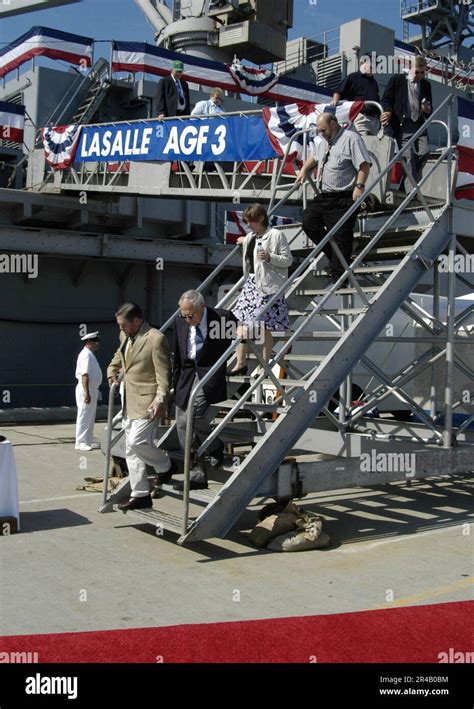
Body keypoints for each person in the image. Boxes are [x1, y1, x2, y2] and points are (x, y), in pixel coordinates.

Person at [107, 302, 173, 511]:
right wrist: (112, 369)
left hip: (148, 402)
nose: (120, 329)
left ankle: (166, 465)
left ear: (136, 321)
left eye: (123, 324)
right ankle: (140, 494)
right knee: (130, 450)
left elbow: (164, 375)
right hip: (128, 400)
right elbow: (121, 354)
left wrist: (160, 400)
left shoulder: (155, 339)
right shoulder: (125, 335)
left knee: (137, 442)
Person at [172, 290, 238, 491]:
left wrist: (242, 334)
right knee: (182, 425)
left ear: (202, 307)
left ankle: (214, 448)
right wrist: (175, 383)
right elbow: (178, 354)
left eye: (191, 315)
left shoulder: (222, 318)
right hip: (187, 375)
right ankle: (197, 473)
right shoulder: (179, 322)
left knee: (194, 414)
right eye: (184, 315)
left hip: (209, 374)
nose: (187, 319)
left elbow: (248, 333)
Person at [298, 112, 372, 285]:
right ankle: (335, 257)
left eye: (323, 129)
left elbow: (364, 165)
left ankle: (339, 277)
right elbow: (314, 157)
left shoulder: (351, 139)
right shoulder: (324, 142)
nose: (321, 133)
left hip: (344, 196)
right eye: (319, 130)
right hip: (324, 196)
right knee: (308, 222)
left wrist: (359, 186)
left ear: (333, 123)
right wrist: (304, 170)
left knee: (341, 235)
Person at [229, 204, 293, 375]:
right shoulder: (250, 237)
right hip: (251, 284)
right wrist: (243, 241)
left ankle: (263, 363)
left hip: (268, 286)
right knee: (239, 321)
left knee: (264, 325)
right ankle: (241, 363)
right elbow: (249, 251)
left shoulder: (276, 235)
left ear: (261, 219)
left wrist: (270, 257)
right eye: (247, 222)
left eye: (252, 222)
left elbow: (288, 260)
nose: (249, 225)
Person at [381, 56, 432, 185]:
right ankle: (411, 192)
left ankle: (406, 182)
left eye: (423, 72)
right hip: (403, 123)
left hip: (419, 123)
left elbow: (431, 107)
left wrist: (427, 108)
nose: (420, 75)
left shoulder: (426, 84)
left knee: (425, 152)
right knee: (408, 155)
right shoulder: (397, 80)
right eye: (417, 72)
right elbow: (386, 99)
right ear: (410, 68)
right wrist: (387, 110)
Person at [331, 55, 381, 136]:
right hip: (361, 116)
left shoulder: (374, 82)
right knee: (362, 142)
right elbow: (339, 90)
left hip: (375, 120)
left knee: (374, 146)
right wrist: (335, 99)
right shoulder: (353, 77)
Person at [75, 331, 102, 451]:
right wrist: (87, 393)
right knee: (84, 415)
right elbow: (84, 375)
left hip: (91, 389)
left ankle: (88, 440)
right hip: (86, 389)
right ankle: (80, 442)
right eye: (96, 342)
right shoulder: (86, 355)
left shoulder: (89, 354)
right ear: (89, 342)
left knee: (90, 416)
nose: (98, 344)